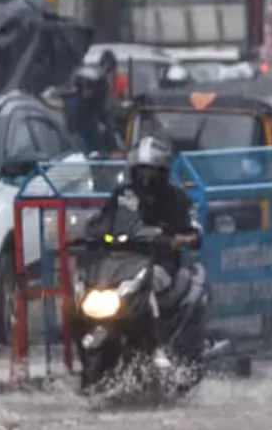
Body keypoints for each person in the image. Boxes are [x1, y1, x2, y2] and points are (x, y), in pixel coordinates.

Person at [86, 137, 202, 366]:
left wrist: (181, 239)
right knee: (87, 287)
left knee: (146, 287)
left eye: (151, 171)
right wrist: (89, 233)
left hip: (159, 263)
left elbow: (195, 230)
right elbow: (104, 221)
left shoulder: (176, 198)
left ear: (162, 172)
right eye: (141, 171)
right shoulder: (122, 194)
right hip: (121, 262)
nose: (145, 177)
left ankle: (158, 348)